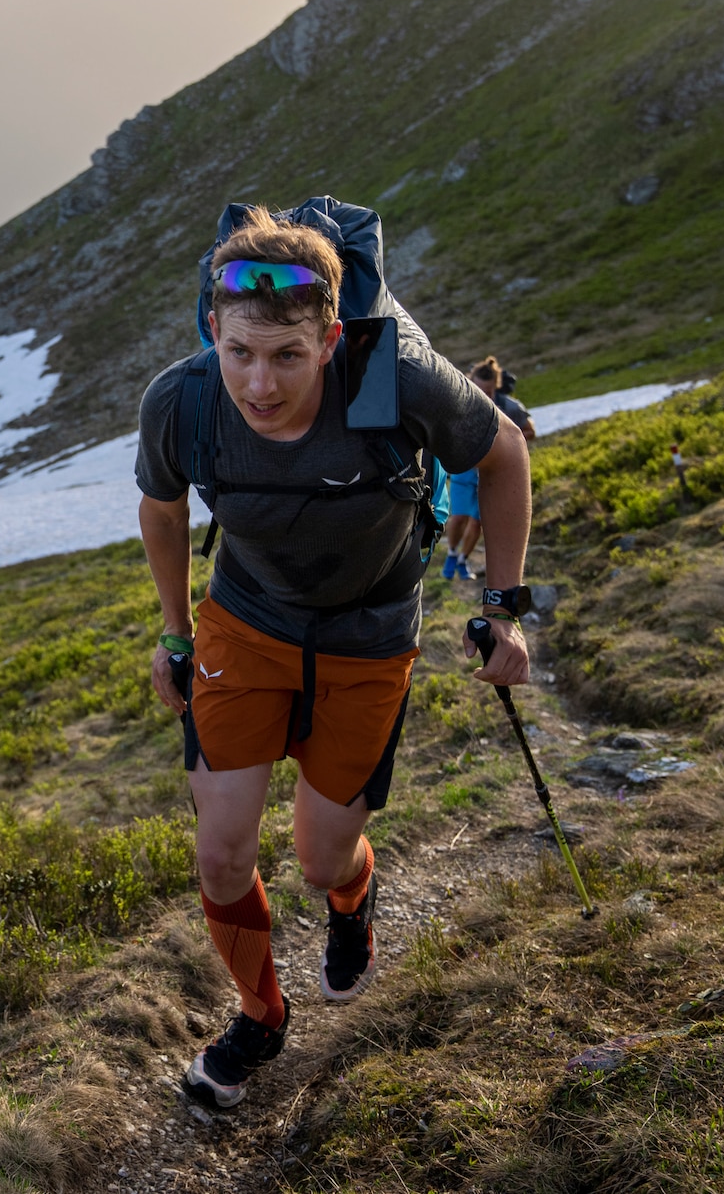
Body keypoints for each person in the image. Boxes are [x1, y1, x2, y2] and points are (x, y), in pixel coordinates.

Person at [136, 212, 534, 1109]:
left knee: (322, 857)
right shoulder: (183, 400)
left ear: (331, 337)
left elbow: (503, 452)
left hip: (368, 635)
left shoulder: (393, 380)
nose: (258, 382)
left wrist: (504, 608)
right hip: (242, 625)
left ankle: (351, 903)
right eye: (239, 351)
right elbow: (162, 514)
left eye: (285, 355)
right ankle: (260, 1014)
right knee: (222, 851)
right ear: (213, 330)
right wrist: (172, 633)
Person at [443, 358, 536, 578]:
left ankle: (464, 561)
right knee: (458, 518)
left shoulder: (509, 407)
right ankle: (451, 553)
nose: (485, 396)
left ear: (496, 388)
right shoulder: (459, 402)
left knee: (478, 522)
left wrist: (508, 445)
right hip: (465, 469)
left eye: (489, 391)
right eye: (480, 390)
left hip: (492, 472)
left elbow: (530, 431)